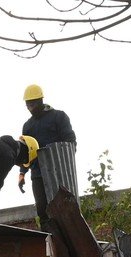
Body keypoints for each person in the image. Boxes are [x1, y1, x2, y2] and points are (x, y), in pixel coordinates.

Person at [20, 85, 78, 227]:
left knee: (63, 207)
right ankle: (50, 237)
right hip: (38, 173)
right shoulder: (28, 126)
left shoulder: (58, 117)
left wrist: (66, 162)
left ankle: (69, 233)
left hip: (59, 172)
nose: (30, 107)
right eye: (28, 104)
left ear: (40, 100)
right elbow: (25, 152)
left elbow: (70, 142)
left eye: (33, 103)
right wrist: (22, 173)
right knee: (43, 210)